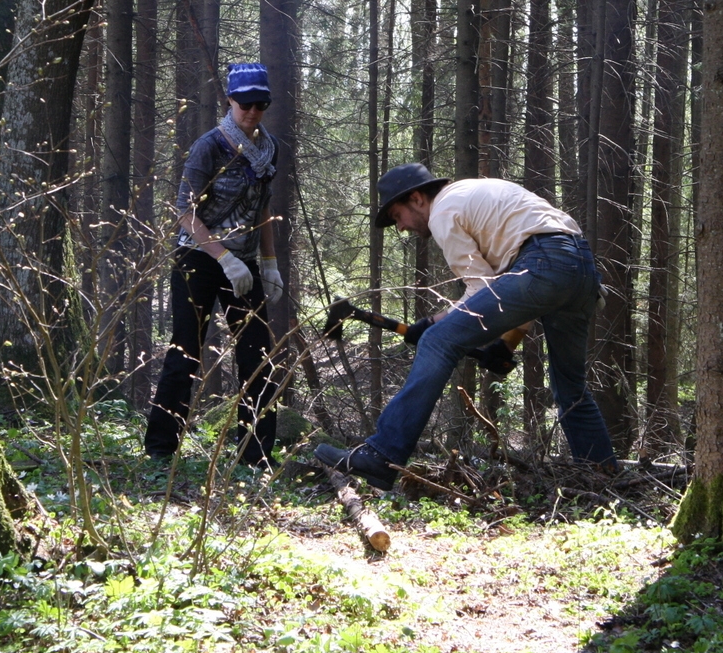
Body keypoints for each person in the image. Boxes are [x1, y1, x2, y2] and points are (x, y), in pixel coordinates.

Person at [316, 163, 618, 489]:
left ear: (417, 198)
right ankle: (602, 478)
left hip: (543, 264)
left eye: (396, 215)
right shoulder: (473, 194)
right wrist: (506, 345)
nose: (400, 227)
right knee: (570, 387)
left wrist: (431, 325)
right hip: (580, 270)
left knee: (437, 342)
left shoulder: (444, 209)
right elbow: (522, 280)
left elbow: (483, 289)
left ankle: (382, 454)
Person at [144, 63, 283, 466]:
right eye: (245, 104)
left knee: (258, 356)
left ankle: (255, 457)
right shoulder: (210, 145)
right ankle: (160, 452)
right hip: (198, 259)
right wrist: (222, 257)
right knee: (186, 351)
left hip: (245, 261)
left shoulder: (269, 148)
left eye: (260, 104)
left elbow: (262, 207)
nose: (252, 112)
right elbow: (184, 211)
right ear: (229, 101)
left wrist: (268, 263)